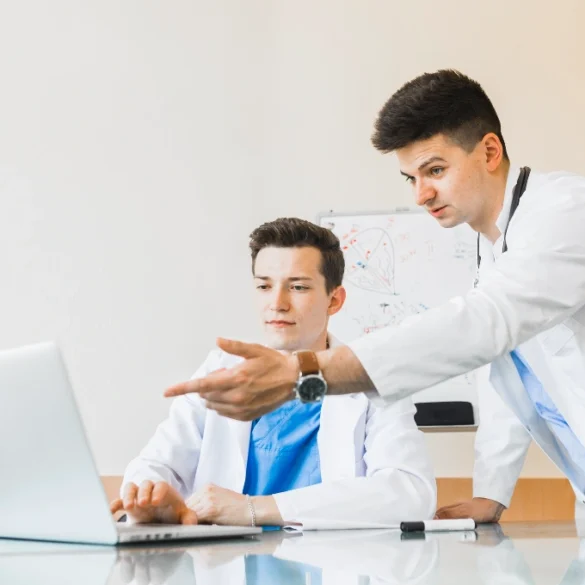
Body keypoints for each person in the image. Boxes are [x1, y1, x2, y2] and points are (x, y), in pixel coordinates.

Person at [165, 69, 585, 523]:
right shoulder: (492, 243)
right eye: (410, 178)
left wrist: (303, 373)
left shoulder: (566, 212)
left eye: (436, 170)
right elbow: (507, 364)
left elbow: (486, 324)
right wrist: (492, 492)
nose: (422, 194)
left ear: (488, 151)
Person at [113, 218, 436, 528]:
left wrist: (254, 509)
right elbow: (158, 463)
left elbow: (409, 494)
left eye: (297, 287)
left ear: (334, 300)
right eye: (264, 286)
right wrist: (148, 497)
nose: (277, 303)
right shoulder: (220, 370)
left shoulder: (370, 379)